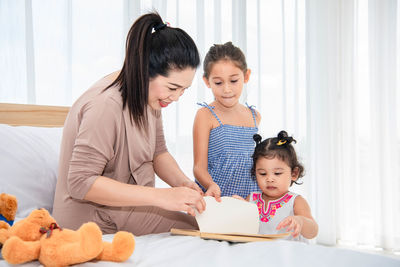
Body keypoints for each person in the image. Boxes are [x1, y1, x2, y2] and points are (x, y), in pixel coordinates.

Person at [52, 12, 206, 236]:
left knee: (205, 223)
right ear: (145, 70)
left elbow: (159, 153)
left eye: (183, 90)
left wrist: (183, 183)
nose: (176, 97)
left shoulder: (149, 96)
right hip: (90, 221)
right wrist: (162, 197)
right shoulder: (105, 106)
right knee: (200, 229)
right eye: (173, 88)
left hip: (126, 211)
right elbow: (80, 182)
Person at [193, 42, 261, 200]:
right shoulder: (205, 115)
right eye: (218, 83)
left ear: (246, 76)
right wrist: (210, 185)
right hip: (216, 199)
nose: (227, 89)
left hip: (248, 201)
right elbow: (198, 167)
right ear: (206, 81)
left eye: (233, 80)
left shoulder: (254, 116)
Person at [235, 131, 318, 241]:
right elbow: (240, 227)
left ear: (294, 173)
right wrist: (237, 208)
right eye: (262, 174)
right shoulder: (251, 199)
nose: (269, 179)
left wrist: (301, 221)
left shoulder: (296, 201)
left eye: (277, 173)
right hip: (259, 253)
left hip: (288, 254)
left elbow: (313, 232)